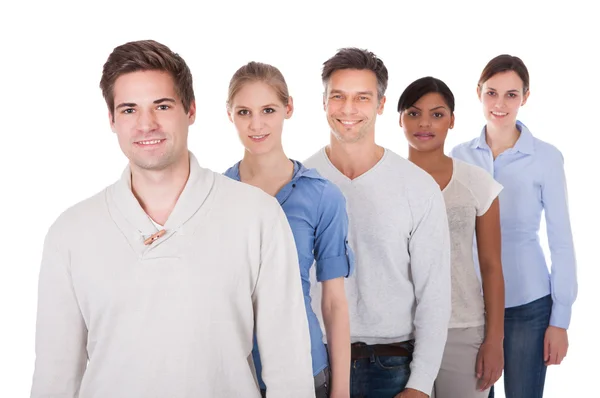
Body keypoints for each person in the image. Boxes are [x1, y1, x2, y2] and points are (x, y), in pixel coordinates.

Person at [30, 40, 315, 398]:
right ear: (112, 120)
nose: (146, 124)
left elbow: (289, 369)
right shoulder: (71, 233)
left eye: (162, 106)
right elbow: (54, 378)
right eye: (129, 109)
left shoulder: (256, 216)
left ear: (190, 110)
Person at [305, 47, 451, 398]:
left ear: (381, 105)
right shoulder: (300, 182)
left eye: (362, 97)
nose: (349, 109)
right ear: (323, 102)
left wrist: (420, 384)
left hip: (391, 366)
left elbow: (435, 293)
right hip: (313, 363)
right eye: (338, 96)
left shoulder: (417, 186)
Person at [223, 61, 354, 398]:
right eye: (244, 112)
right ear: (229, 114)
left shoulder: (323, 196)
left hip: (305, 372)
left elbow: (334, 304)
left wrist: (340, 393)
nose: (256, 124)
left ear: (288, 108)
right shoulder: (214, 195)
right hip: (232, 374)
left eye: (268, 109)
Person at [450, 54, 578, 398]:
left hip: (529, 303)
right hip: (473, 304)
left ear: (525, 97)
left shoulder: (546, 157)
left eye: (511, 94)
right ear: (478, 92)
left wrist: (560, 319)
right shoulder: (458, 157)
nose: (500, 104)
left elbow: (561, 241)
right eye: (492, 92)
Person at [398, 76, 505, 398]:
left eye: (437, 114)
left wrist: (494, 340)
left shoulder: (476, 182)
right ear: (399, 119)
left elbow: (491, 265)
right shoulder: (387, 182)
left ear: (452, 120)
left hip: (462, 328)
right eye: (414, 114)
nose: (425, 123)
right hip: (400, 333)